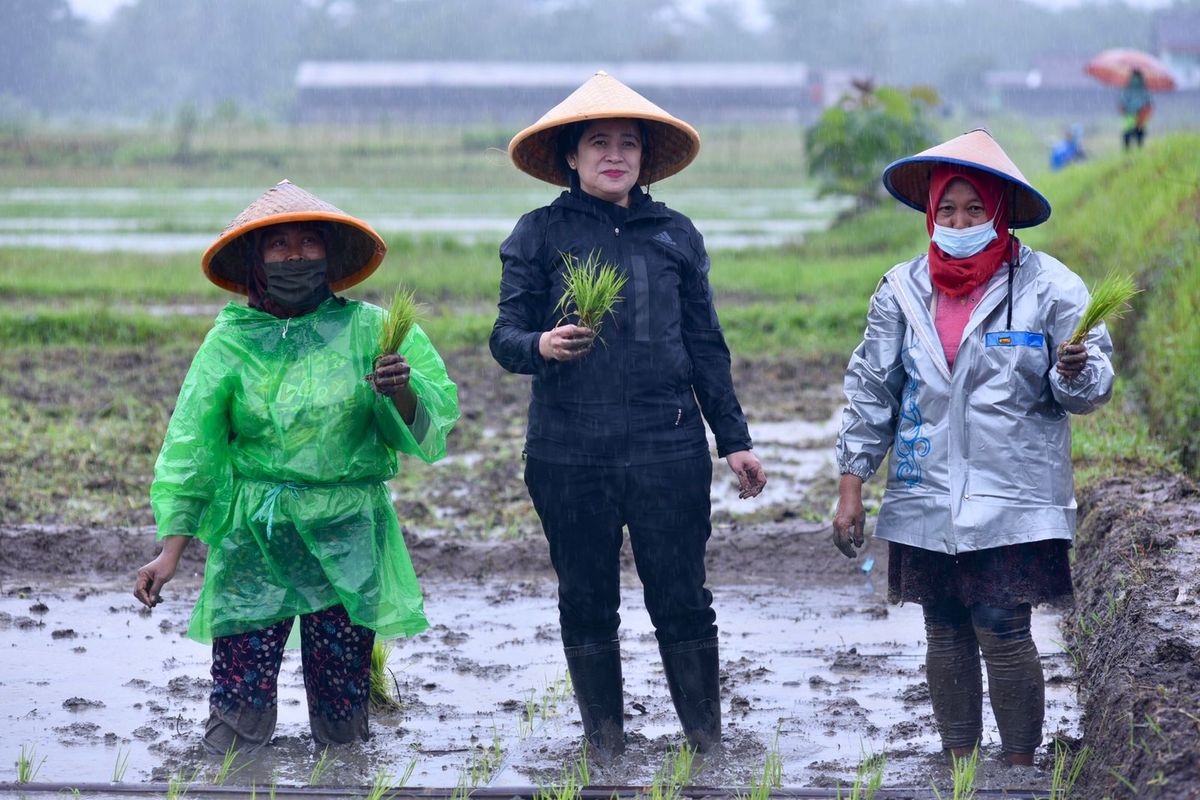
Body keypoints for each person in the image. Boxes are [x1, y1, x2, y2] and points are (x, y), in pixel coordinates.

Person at [490, 71, 766, 757]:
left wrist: (734, 440)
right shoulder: (538, 233)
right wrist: (542, 345)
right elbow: (504, 337)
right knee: (586, 596)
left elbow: (706, 345)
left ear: (644, 159)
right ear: (572, 157)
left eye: (628, 144)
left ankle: (706, 741)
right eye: (598, 143)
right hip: (567, 450)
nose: (615, 155)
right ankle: (604, 742)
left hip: (666, 443)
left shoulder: (674, 234)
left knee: (681, 593)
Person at [133, 180, 459, 754]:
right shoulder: (230, 344)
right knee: (238, 709)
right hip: (255, 539)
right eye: (278, 245)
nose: (295, 255)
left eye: (309, 242)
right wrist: (171, 549)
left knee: (342, 711)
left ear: (329, 254)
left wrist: (400, 391)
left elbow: (431, 429)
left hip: (347, 533)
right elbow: (192, 449)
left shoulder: (371, 331)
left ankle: (344, 781)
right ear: (255, 261)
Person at [832, 130, 1114, 766]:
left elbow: (1092, 385)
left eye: (974, 210)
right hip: (925, 488)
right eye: (947, 211)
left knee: (1004, 625)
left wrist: (1072, 371)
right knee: (944, 627)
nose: (959, 223)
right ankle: (960, 761)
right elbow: (873, 388)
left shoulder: (1050, 287)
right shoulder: (901, 291)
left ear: (1001, 212)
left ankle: (1017, 766)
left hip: (1012, 493)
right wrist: (852, 482)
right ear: (932, 215)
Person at [1119, 69, 1152, 150]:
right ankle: (1139, 150)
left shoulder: (1127, 89)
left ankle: (1127, 151)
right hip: (1141, 115)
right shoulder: (1145, 89)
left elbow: (1122, 102)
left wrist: (1126, 109)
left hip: (1129, 115)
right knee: (1139, 135)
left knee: (1127, 134)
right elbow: (1149, 103)